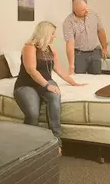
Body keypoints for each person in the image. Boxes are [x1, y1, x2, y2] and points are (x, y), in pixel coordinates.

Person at [14, 21, 85, 156]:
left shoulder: (50, 48)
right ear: (45, 33)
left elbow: (58, 68)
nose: (54, 36)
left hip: (46, 82)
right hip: (26, 85)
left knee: (54, 100)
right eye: (53, 34)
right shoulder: (30, 47)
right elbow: (31, 70)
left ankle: (56, 141)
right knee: (33, 114)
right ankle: (29, 144)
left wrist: (73, 82)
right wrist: (47, 85)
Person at [63, 0, 107, 75]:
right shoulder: (69, 22)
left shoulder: (93, 15)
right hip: (79, 54)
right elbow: (70, 44)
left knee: (97, 78)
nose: (87, 10)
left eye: (86, 7)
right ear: (76, 11)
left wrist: (104, 48)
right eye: (83, 10)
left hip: (95, 52)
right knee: (80, 78)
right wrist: (71, 66)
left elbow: (101, 31)